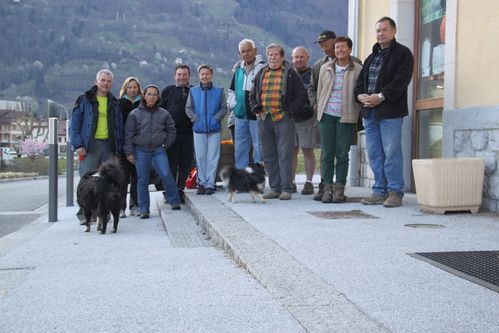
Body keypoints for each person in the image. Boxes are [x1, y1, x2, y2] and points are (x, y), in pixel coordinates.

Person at [354, 16, 414, 207]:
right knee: (374, 154)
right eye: (378, 30)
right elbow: (360, 84)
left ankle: (395, 191)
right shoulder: (371, 57)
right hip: (370, 113)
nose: (380, 33)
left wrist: (379, 96)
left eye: (384, 30)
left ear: (394, 31)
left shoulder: (403, 54)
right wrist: (361, 96)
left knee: (392, 152)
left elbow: (400, 82)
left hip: (390, 112)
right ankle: (379, 190)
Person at [249, 43, 307, 200]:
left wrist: (289, 110)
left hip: (283, 119)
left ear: (282, 57)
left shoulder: (290, 74)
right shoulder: (261, 73)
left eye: (276, 54)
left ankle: (286, 188)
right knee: (268, 156)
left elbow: (301, 96)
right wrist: (256, 108)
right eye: (270, 55)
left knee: (284, 155)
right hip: (264, 118)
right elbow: (252, 94)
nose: (273, 57)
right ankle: (274, 188)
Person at [69, 69, 124, 223]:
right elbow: (74, 125)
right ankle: (84, 214)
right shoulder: (84, 99)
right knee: (86, 181)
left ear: (111, 84)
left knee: (106, 182)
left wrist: (118, 148)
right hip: (89, 146)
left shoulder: (114, 102)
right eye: (103, 80)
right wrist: (78, 144)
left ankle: (103, 213)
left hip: (109, 146)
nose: (105, 83)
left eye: (108, 81)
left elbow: (119, 126)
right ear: (96, 82)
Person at [316, 36, 362, 203]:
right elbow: (320, 91)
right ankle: (327, 188)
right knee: (327, 154)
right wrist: (319, 109)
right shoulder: (325, 68)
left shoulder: (357, 69)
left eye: (343, 47)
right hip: (327, 115)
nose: (340, 50)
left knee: (342, 155)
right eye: (337, 48)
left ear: (349, 49)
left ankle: (340, 189)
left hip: (347, 116)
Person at [124, 84, 181, 219]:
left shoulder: (163, 113)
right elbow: (128, 135)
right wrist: (129, 153)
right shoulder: (134, 114)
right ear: (144, 96)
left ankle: (174, 200)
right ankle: (144, 209)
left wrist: (165, 144)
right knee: (142, 180)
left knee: (166, 174)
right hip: (140, 150)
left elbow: (172, 130)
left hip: (158, 150)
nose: (151, 97)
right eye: (149, 94)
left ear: (158, 97)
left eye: (154, 94)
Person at [185, 64, 227, 195]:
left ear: (211, 75)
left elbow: (224, 108)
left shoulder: (219, 91)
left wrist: (216, 118)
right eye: (202, 74)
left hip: (214, 128)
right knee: (200, 156)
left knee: (213, 157)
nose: (205, 76)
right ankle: (201, 183)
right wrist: (195, 119)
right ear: (199, 75)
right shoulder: (193, 91)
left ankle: (210, 183)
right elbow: (189, 108)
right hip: (198, 128)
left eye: (207, 74)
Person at [227, 38, 266, 169]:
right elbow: (231, 90)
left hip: (257, 115)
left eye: (248, 50)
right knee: (240, 148)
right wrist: (234, 105)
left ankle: (258, 178)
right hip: (240, 116)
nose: (246, 54)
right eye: (243, 51)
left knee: (259, 148)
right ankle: (241, 177)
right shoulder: (238, 69)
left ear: (255, 51)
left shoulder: (263, 68)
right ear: (240, 53)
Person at [160, 64, 193, 204]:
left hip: (189, 133)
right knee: (171, 165)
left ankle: (179, 190)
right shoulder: (168, 91)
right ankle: (170, 191)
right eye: (179, 74)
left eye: (184, 74)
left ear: (189, 76)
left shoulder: (194, 91)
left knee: (186, 164)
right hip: (171, 134)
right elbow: (160, 111)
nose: (181, 77)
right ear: (175, 76)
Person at [290, 46, 317, 195]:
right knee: (291, 151)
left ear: (307, 58)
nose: (298, 59)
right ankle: (291, 182)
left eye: (302, 57)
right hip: (290, 118)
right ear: (292, 58)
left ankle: (309, 182)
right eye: (296, 57)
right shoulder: (288, 73)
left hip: (306, 118)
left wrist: (311, 108)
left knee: (307, 149)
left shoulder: (313, 73)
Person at [118, 77, 142, 217]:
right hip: (123, 145)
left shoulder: (143, 103)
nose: (132, 90)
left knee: (137, 177)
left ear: (138, 89)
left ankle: (135, 205)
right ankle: (120, 207)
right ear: (125, 89)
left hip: (139, 145)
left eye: (135, 87)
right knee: (122, 178)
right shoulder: (119, 103)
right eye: (130, 87)